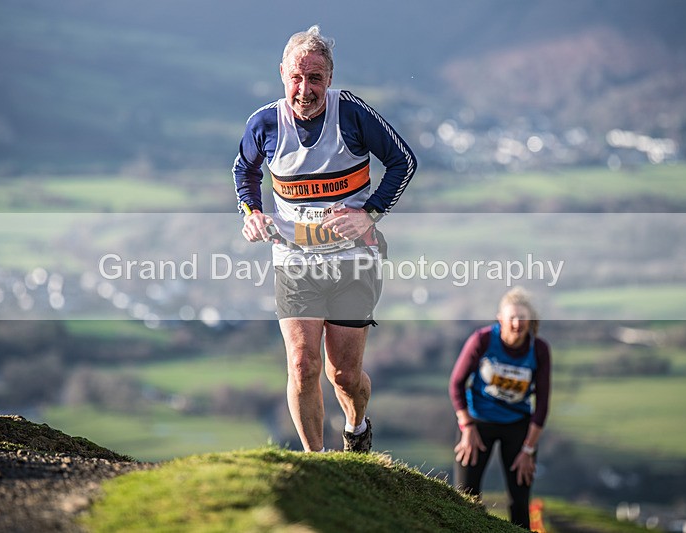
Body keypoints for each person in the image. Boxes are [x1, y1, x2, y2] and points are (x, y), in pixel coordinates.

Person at [233, 25, 416, 453]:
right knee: (302, 364)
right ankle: (318, 462)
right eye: (297, 77)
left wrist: (368, 213)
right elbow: (245, 170)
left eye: (315, 78)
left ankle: (356, 427)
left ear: (329, 79)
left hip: (354, 259)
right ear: (282, 74)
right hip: (294, 258)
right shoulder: (264, 123)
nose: (305, 88)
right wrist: (252, 212)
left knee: (344, 375)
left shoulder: (350, 114)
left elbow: (402, 161)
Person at [448, 287, 551, 530]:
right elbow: (456, 384)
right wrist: (467, 426)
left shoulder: (539, 350)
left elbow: (542, 405)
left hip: (518, 427)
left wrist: (528, 449)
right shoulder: (482, 340)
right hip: (477, 423)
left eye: (522, 317)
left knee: (519, 502)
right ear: (500, 319)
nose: (517, 323)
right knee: (465, 497)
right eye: (511, 317)